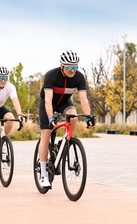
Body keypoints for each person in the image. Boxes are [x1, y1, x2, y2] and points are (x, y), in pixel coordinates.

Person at [38, 50, 95, 188]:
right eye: (69, 67)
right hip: (48, 103)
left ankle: (65, 139)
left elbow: (83, 99)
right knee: (46, 133)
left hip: (64, 102)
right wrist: (51, 118)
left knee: (74, 116)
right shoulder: (51, 75)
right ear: (62, 66)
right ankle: (43, 173)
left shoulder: (79, 77)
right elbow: (48, 101)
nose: (72, 70)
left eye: (75, 67)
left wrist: (88, 117)